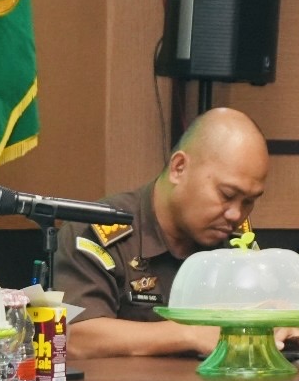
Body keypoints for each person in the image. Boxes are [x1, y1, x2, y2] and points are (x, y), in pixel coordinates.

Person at [54, 106, 277, 360]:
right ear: (179, 168)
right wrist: (190, 334)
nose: (236, 215)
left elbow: (262, 310)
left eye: (249, 201)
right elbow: (76, 337)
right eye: (227, 195)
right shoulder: (98, 231)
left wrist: (278, 325)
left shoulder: (235, 244)